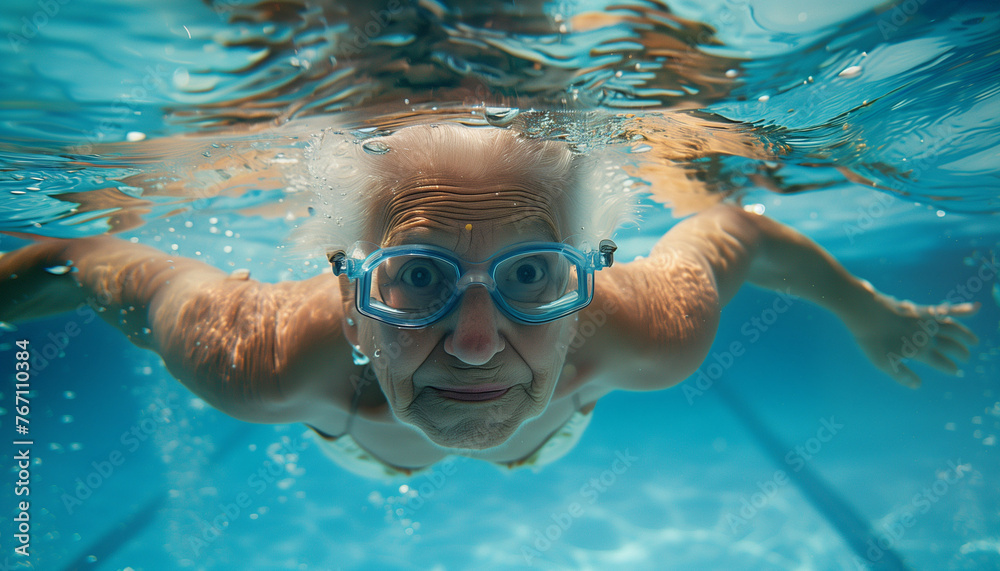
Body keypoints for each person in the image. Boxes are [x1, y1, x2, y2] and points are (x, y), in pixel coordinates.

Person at [0, 123, 978, 478]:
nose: (473, 344)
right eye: (416, 275)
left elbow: (741, 231)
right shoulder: (251, 359)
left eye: (529, 277)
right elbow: (89, 258)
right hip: (355, 429)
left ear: (580, 288)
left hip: (544, 419)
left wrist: (871, 313)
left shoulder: (643, 329)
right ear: (349, 302)